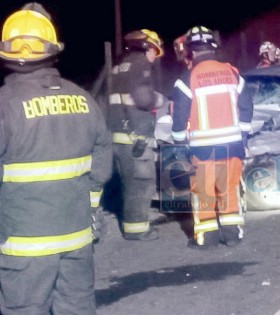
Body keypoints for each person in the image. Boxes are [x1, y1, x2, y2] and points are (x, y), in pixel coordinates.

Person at [0, 3, 112, 313]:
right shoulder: (83, 99)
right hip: (77, 240)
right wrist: (90, 211)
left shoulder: (5, 105)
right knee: (76, 307)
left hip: (23, 246)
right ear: (52, 50)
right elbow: (101, 165)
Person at [171, 26, 253, 249]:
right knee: (230, 189)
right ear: (213, 47)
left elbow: (179, 115)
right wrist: (243, 135)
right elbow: (246, 106)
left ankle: (208, 239)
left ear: (191, 51)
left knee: (204, 192)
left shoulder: (187, 78)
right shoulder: (232, 72)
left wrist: (178, 142)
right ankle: (232, 234)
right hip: (233, 145)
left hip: (203, 148)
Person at [107, 28, 167, 241]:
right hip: (135, 139)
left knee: (129, 182)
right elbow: (143, 98)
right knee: (142, 183)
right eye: (154, 50)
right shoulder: (140, 65)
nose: (154, 56)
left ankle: (133, 224)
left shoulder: (118, 68)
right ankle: (137, 229)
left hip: (119, 136)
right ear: (147, 47)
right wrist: (159, 100)